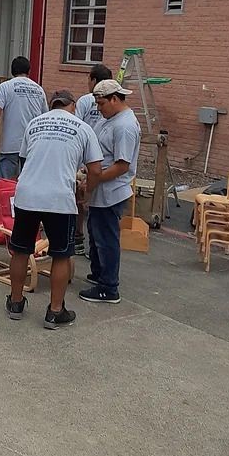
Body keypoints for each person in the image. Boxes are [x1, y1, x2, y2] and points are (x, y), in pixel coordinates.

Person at [6, 90, 102, 329]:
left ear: (52, 106)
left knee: (20, 250)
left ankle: (16, 303)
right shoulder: (82, 127)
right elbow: (96, 170)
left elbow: (25, 160)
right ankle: (55, 312)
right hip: (59, 199)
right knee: (61, 254)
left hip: (27, 194)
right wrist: (85, 192)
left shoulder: (34, 123)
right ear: (72, 106)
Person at [79, 79, 141, 305]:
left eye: (102, 103)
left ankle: (109, 286)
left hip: (111, 190)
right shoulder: (110, 119)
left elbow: (122, 165)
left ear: (115, 99)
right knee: (95, 235)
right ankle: (99, 273)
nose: (99, 108)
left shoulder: (124, 126)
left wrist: (94, 181)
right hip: (100, 188)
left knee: (106, 239)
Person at [0, 56, 48, 182]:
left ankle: (3, 202)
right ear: (29, 71)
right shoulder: (39, 90)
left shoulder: (6, 87)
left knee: (3, 184)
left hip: (11, 145)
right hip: (32, 146)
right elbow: (44, 118)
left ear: (12, 71)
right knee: (27, 183)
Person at [73, 63, 113, 257]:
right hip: (103, 159)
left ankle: (79, 239)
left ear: (95, 80)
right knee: (94, 203)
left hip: (85, 158)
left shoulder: (84, 101)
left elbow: (76, 127)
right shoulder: (114, 103)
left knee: (80, 198)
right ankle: (93, 247)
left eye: (89, 79)